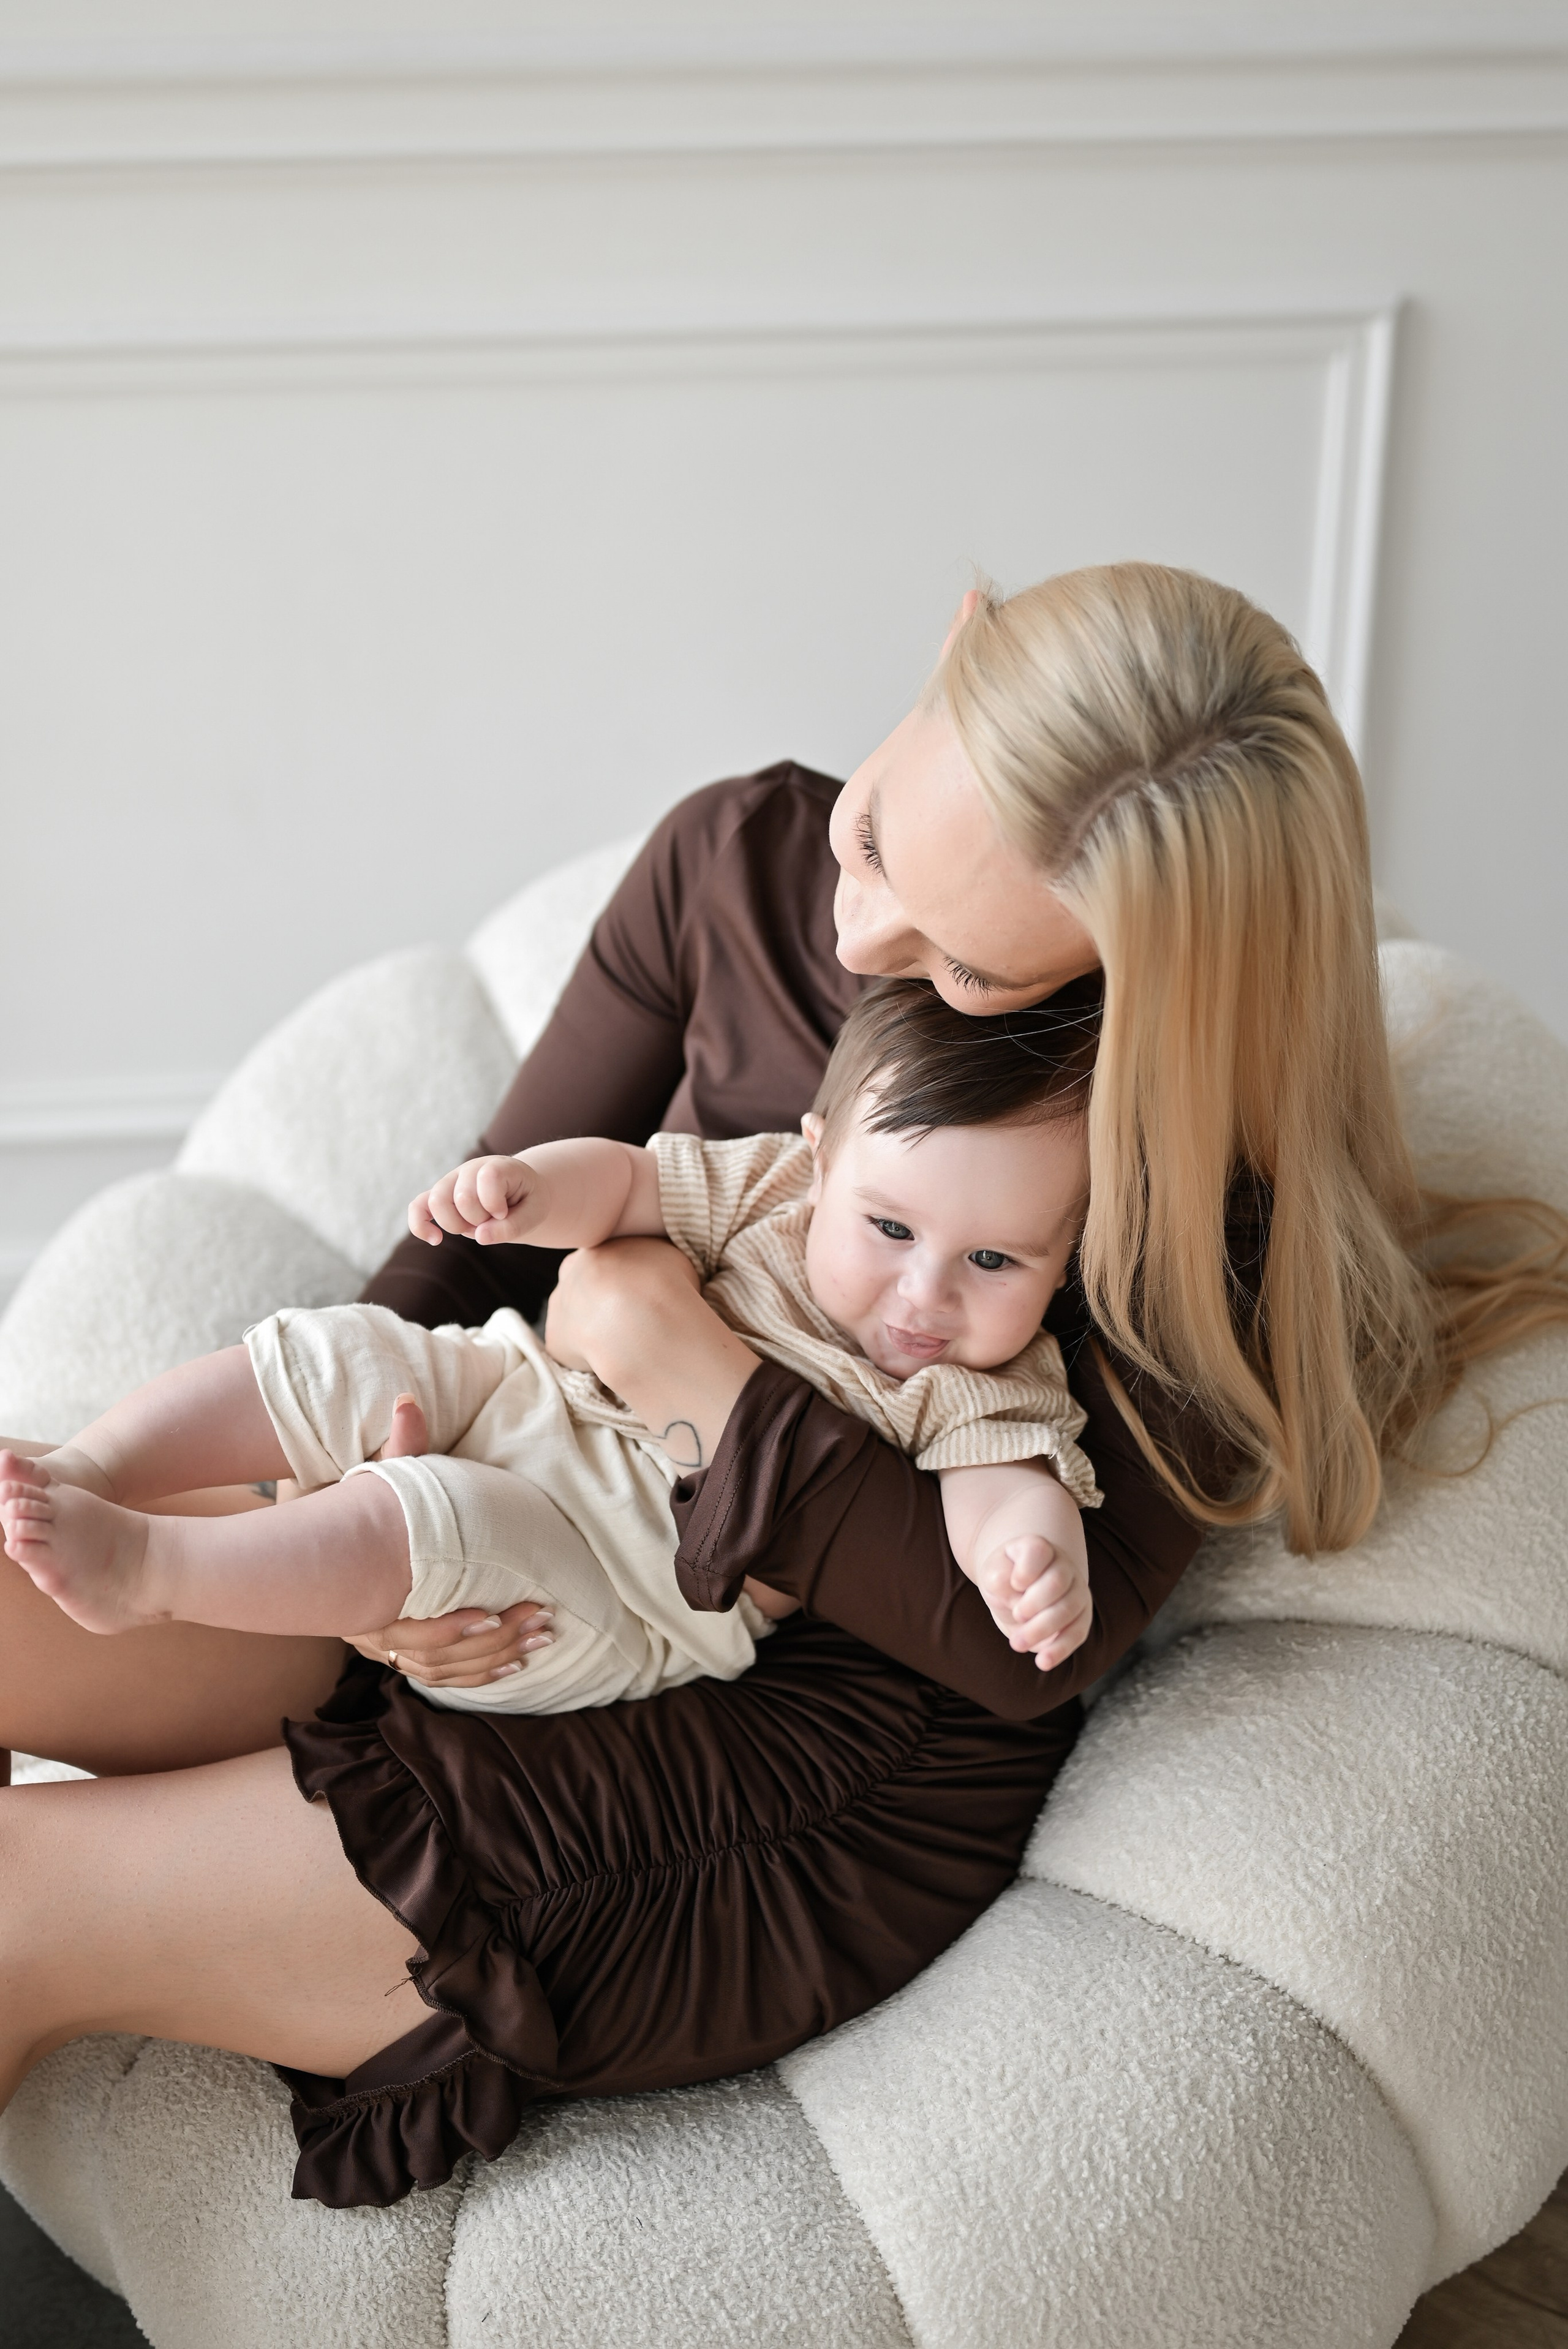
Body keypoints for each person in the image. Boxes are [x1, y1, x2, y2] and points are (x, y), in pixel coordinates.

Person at [1, 564, 1559, 2212]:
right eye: (884, 835)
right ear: (956, 643)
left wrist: (687, 1363)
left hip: (778, 1746)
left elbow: (1017, 1652)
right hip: (538, 1499)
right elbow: (468, 1247)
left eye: (965, 970)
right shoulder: (736, 859)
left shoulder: (1168, 1185)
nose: (863, 935)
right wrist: (357, 1485)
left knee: (24, 1895)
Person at [0, 980, 1102, 1705]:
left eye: (996, 1263)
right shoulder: (771, 1187)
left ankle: (148, 1569)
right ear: (819, 1163)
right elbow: (627, 1180)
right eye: (893, 1228)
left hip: (602, 1590)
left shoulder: (983, 1385)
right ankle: (92, 1464)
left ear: (1065, 1260)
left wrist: (1031, 1559)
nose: (927, 1293)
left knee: (447, 1517)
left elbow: (999, 1488)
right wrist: (529, 1191)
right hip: (517, 1391)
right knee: (356, 1352)